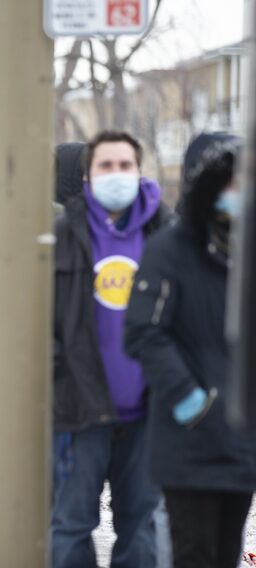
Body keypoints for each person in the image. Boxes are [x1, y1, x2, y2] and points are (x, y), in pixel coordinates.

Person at [125, 136, 256, 568]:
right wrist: (190, 401)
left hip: (241, 441)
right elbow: (144, 331)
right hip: (190, 440)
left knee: (226, 554)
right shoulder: (171, 248)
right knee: (194, 555)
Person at [50, 131, 173, 568]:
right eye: (106, 165)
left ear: (139, 172)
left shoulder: (168, 235)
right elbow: (37, 316)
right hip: (78, 411)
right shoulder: (62, 234)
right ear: (88, 175)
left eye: (125, 165)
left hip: (148, 414)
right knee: (68, 528)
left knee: (142, 531)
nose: (116, 174)